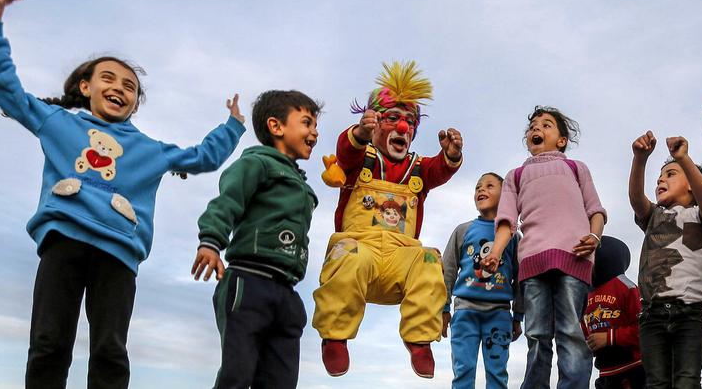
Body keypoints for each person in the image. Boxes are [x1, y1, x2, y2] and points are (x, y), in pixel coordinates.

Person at [0, 0, 245, 388]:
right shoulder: (58, 122)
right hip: (64, 240)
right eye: (108, 79)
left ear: (135, 103)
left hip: (118, 254)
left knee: (110, 349)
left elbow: (202, 158)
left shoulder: (150, 149)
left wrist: (232, 125)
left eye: (129, 86)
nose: (119, 88)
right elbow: (8, 91)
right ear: (85, 87)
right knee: (48, 341)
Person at [312, 61, 463, 378]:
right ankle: (335, 336)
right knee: (348, 258)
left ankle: (420, 338)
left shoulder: (418, 168)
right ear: (375, 123)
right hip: (360, 248)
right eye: (392, 118)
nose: (403, 127)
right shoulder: (361, 157)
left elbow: (439, 170)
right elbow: (346, 151)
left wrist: (450, 155)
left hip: (400, 257)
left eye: (409, 121)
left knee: (428, 260)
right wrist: (359, 133)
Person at [192, 90, 321, 388]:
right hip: (248, 282)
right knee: (238, 373)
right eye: (306, 123)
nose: (314, 132)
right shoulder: (257, 164)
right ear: (276, 127)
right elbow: (227, 202)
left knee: (281, 380)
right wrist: (210, 241)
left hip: (286, 290)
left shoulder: (299, 183)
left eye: (316, 126)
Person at [484, 106, 607, 389]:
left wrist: (595, 237)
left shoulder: (575, 168)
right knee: (537, 334)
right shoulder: (515, 176)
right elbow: (507, 222)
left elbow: (596, 211)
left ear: (561, 140)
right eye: (533, 126)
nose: (537, 129)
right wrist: (495, 252)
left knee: (571, 333)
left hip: (574, 256)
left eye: (547, 125)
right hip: (533, 261)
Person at [629, 132, 702, 388]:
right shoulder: (654, 216)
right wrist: (640, 159)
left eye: (670, 174)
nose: (660, 180)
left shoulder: (700, 214)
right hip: (652, 314)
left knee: (687, 380)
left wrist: (683, 158)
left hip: (689, 314)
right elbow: (636, 198)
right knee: (656, 382)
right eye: (659, 177)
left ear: (691, 183)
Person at [441, 172, 523, 389]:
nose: (481, 190)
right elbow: (447, 270)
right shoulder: (463, 230)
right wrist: (443, 308)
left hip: (499, 313)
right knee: (463, 370)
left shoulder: (514, 237)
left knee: (497, 373)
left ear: (504, 195)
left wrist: (518, 316)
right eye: (477, 187)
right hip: (465, 311)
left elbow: (521, 278)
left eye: (489, 186)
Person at [582, 236, 644, 389]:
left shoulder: (626, 287)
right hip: (605, 371)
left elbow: (642, 329)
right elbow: (583, 330)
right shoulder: (584, 294)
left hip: (633, 368)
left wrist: (609, 338)